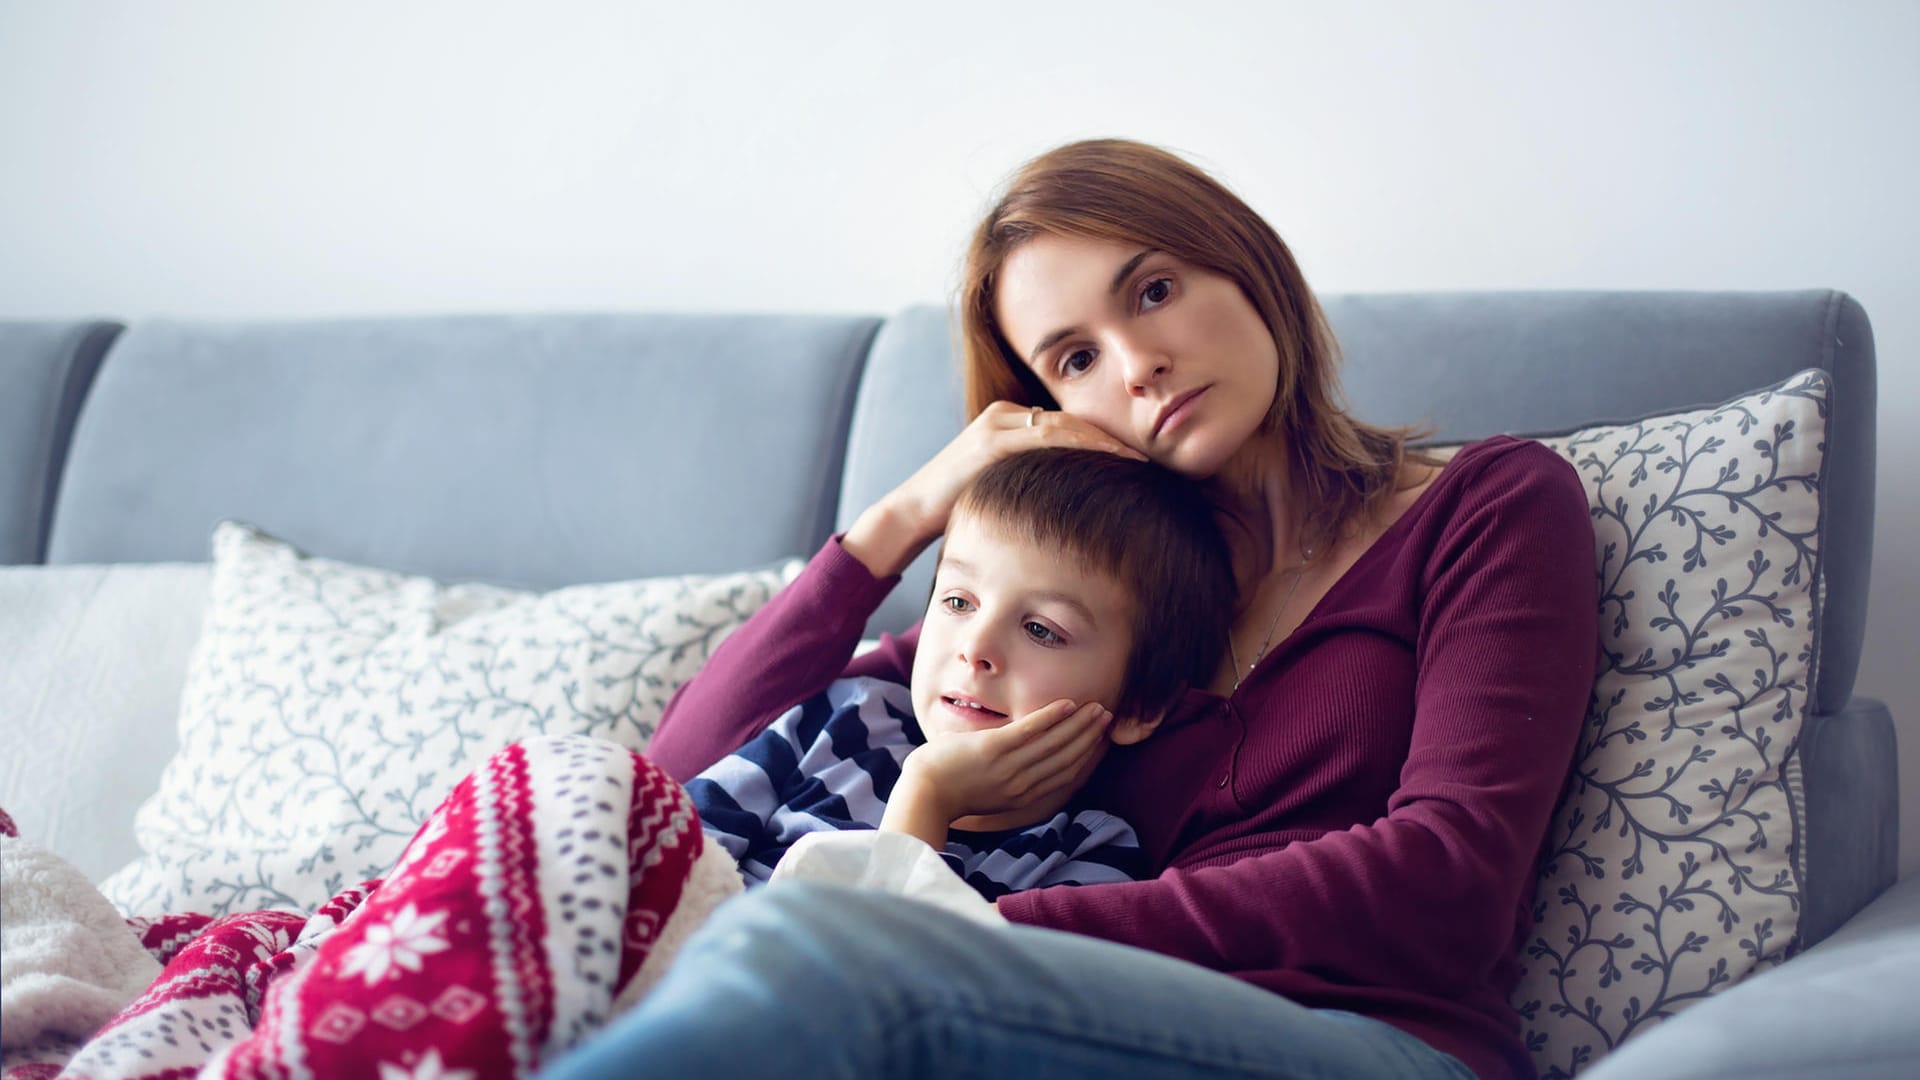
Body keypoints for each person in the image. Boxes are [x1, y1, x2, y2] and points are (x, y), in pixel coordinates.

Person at [545, 139, 1599, 1080]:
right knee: (757, 948)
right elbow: (684, 774)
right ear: (1053, 413)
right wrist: (909, 512)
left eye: (1152, 291)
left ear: (1247, 262)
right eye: (1076, 359)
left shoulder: (1488, 504)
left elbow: (1450, 880)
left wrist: (972, 931)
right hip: (1057, 1022)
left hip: (1376, 1042)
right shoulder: (1076, 611)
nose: (1139, 365)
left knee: (815, 948)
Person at [687, 445, 1237, 899]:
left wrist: (927, 796)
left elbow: (879, 987)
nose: (975, 649)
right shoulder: (841, 717)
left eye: (1041, 629)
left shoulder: (1088, 863)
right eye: (957, 602)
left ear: (1138, 704)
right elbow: (660, 856)